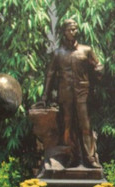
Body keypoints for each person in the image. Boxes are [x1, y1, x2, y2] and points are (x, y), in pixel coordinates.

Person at [41, 19, 103, 168]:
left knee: (85, 125)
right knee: (67, 128)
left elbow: (98, 64)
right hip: (65, 95)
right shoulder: (58, 53)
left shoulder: (86, 50)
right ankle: (72, 157)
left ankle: (90, 158)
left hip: (83, 93)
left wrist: (100, 69)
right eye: (70, 29)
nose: (73, 32)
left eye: (75, 29)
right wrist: (44, 96)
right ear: (64, 32)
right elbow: (50, 74)